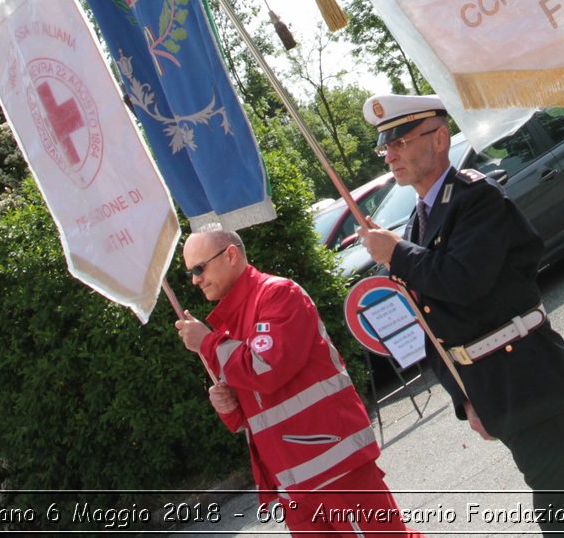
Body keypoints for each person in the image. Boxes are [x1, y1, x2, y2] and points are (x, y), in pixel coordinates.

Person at [356, 94, 564, 536]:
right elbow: (432, 321)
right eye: (385, 147)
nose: (390, 154)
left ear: (439, 138)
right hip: (493, 383)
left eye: (401, 140)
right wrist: (463, 396)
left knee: (560, 514)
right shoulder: (417, 224)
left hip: (524, 370)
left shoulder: (476, 198)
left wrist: (399, 255)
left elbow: (465, 281)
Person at [175, 229, 420, 538]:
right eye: (190, 272)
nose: (195, 279)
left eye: (199, 268)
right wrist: (227, 406)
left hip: (333, 465)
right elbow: (252, 411)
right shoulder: (232, 319)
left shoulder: (278, 294)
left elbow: (266, 369)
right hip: (294, 481)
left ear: (231, 256)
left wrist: (208, 344)